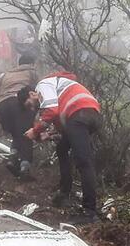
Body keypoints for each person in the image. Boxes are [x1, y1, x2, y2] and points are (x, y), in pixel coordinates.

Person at [19, 71, 101, 222]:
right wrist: (48, 134)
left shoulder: (42, 85)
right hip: (88, 113)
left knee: (83, 161)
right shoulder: (57, 89)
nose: (33, 109)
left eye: (30, 104)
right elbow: (61, 122)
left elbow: (52, 111)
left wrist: (35, 130)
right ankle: (64, 193)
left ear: (32, 93)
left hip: (80, 112)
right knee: (62, 148)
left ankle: (90, 212)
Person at [0, 53, 38, 178]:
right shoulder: (31, 72)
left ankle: (13, 160)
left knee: (16, 134)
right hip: (18, 102)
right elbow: (36, 91)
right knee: (27, 134)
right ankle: (25, 168)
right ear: (32, 64)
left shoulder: (6, 74)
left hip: (1, 105)